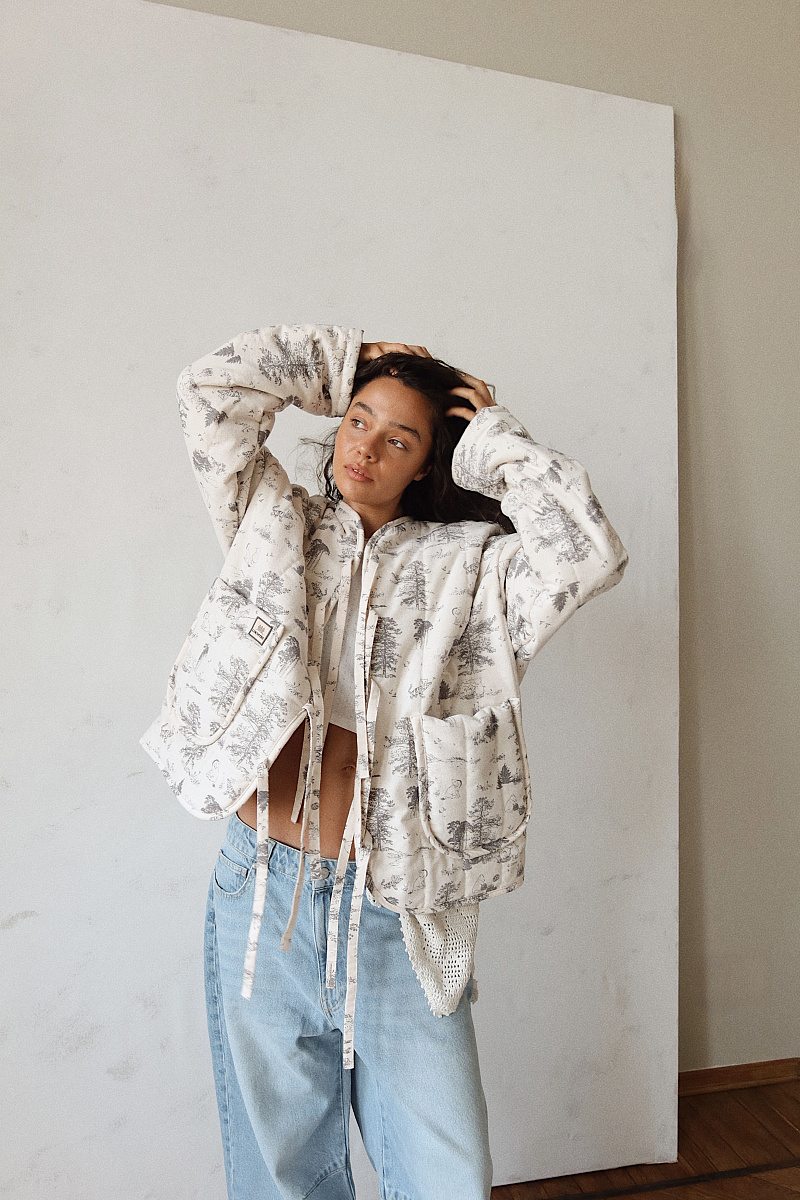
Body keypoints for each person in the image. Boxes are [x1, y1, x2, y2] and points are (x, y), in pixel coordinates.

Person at [141, 324, 629, 1200]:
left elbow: (585, 553)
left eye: (399, 438)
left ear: (429, 462)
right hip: (263, 894)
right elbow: (208, 393)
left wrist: (491, 434)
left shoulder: (472, 569)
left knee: (448, 1176)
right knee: (283, 1177)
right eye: (358, 420)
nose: (365, 447)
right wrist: (344, 360)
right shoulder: (273, 522)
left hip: (399, 907)